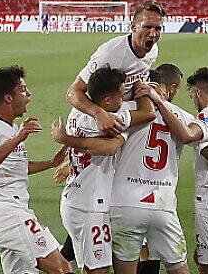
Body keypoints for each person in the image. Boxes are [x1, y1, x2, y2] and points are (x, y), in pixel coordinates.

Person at [51, 68, 157, 274]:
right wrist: (139, 84)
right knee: (97, 270)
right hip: (88, 205)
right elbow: (147, 113)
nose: (124, 98)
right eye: (121, 94)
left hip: (79, 198)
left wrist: (66, 140)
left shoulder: (79, 110)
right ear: (107, 100)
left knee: (92, 268)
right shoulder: (107, 118)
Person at [0, 65, 73, 274]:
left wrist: (52, 162)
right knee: (63, 268)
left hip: (14, 212)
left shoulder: (9, 126)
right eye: (23, 90)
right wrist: (19, 137)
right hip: (8, 214)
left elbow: (16, 167)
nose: (29, 95)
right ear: (8, 98)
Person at [151, 68, 208, 274]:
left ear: (199, 93)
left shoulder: (207, 116)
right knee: (203, 259)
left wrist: (161, 105)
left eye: (192, 95)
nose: (193, 99)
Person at [109, 64, 198, 274]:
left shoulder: (125, 111)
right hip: (162, 203)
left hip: (125, 203)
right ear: (162, 89)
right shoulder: (181, 115)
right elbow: (194, 138)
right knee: (178, 268)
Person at [67, 0, 166, 136]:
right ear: (133, 27)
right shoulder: (110, 54)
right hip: (96, 119)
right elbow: (73, 92)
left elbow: (138, 80)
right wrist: (98, 113)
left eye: (158, 28)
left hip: (123, 111)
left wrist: (148, 88)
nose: (153, 34)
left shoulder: (153, 50)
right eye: (147, 27)